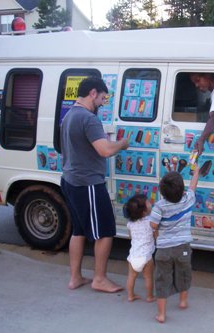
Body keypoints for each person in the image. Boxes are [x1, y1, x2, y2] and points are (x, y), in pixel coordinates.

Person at [60, 77, 130, 293]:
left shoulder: (69, 114)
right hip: (88, 183)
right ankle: (99, 279)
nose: (102, 102)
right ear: (92, 93)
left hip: (70, 180)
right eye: (102, 97)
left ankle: (75, 278)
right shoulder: (88, 119)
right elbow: (105, 151)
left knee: (79, 231)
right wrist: (122, 143)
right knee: (106, 230)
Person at [149, 164, 200, 323]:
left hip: (164, 249)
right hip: (183, 247)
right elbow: (193, 186)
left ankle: (162, 314)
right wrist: (196, 171)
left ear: (161, 191)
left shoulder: (159, 206)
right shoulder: (188, 199)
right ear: (182, 189)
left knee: (162, 279)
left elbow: (153, 225)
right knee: (183, 273)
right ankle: (183, 301)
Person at [123, 194, 155, 302]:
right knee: (148, 277)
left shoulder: (130, 224)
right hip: (146, 257)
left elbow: (131, 237)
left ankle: (130, 295)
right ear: (144, 212)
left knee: (131, 277)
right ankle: (150, 297)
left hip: (133, 256)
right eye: (148, 203)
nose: (150, 203)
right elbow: (156, 235)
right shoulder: (151, 222)